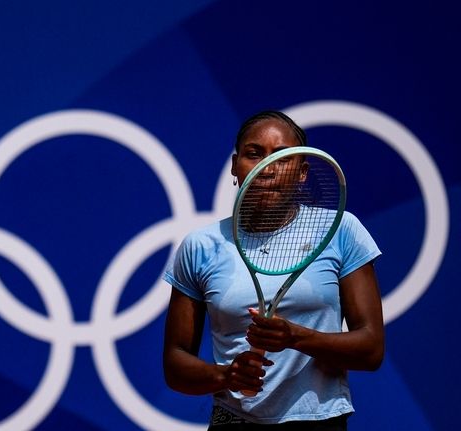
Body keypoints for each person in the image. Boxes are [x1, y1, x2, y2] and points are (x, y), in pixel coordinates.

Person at [162, 110, 384, 430]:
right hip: (233, 420)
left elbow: (371, 349)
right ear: (235, 166)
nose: (267, 168)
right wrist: (227, 375)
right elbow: (175, 363)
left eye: (282, 158)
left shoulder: (341, 230)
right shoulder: (200, 245)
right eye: (254, 155)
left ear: (302, 172)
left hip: (319, 421)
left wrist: (295, 336)